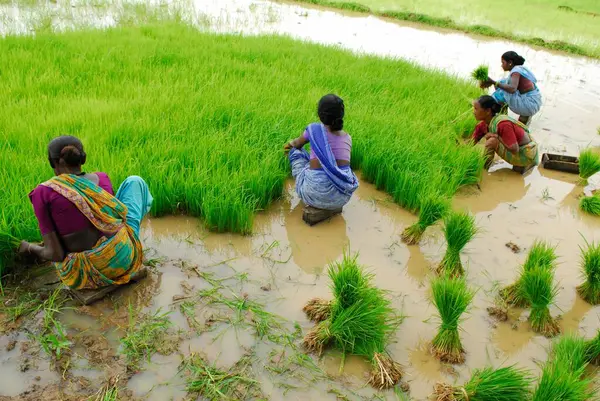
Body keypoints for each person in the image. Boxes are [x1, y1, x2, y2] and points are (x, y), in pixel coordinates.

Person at [18, 136, 153, 290]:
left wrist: (29, 247)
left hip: (83, 273)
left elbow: (56, 254)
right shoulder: (102, 178)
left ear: (52, 162)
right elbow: (113, 220)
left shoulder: (42, 193)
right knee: (135, 181)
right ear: (83, 159)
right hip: (124, 258)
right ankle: (126, 245)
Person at [284, 94, 359, 211]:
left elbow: (297, 144)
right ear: (341, 115)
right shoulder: (347, 137)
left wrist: (288, 145)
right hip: (342, 197)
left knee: (297, 152)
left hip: (313, 195)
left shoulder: (314, 130)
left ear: (320, 115)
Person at [472, 95, 539, 174]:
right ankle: (484, 168)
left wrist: (497, 137)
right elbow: (471, 143)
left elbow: (514, 149)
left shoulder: (503, 125)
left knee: (492, 141)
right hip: (519, 151)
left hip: (526, 154)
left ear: (488, 111)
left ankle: (483, 170)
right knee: (492, 140)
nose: (474, 112)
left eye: (476, 109)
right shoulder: (482, 125)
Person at [482, 51, 542, 125]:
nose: (501, 65)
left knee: (499, 94)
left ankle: (501, 117)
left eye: (503, 63)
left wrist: (493, 82)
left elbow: (512, 89)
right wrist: (495, 83)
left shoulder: (515, 72)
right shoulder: (520, 68)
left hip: (528, 105)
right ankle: (514, 116)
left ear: (510, 63)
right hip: (534, 101)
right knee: (502, 82)